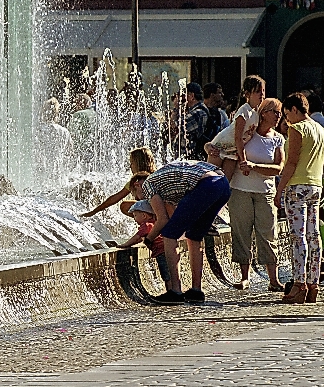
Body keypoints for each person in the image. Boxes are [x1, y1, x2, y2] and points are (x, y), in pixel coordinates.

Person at [141, 159, 232, 305]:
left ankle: (175, 292)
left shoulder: (147, 185)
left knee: (169, 235)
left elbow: (163, 219)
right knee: (194, 235)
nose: (142, 199)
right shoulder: (165, 183)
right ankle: (196, 291)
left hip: (206, 185)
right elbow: (175, 215)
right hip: (223, 184)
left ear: (137, 185)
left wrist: (149, 238)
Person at [275, 93, 324, 304]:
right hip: (316, 186)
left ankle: (299, 284)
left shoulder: (297, 129)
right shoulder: (321, 129)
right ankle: (314, 283)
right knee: (313, 234)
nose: (287, 120)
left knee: (298, 237)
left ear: (295, 109)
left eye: (287, 114)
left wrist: (279, 190)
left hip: (296, 185)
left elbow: (291, 163)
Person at [228, 98, 285, 291]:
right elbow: (229, 147)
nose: (278, 117)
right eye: (274, 112)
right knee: (242, 232)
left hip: (266, 191)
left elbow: (279, 167)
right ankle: (245, 276)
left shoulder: (277, 138)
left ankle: (273, 278)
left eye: (279, 113)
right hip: (241, 188)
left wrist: (255, 167)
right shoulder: (248, 134)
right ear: (263, 113)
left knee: (268, 233)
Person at [205, 75, 265, 180]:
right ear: (247, 94)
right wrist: (243, 160)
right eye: (257, 91)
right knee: (210, 181)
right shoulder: (244, 111)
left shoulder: (257, 112)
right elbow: (238, 137)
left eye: (263, 91)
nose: (262, 95)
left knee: (225, 184)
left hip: (233, 151)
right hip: (220, 146)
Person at [81, 147, 156, 217]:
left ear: (139, 163)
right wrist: (94, 211)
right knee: (128, 205)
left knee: (124, 206)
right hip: (157, 209)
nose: (130, 166)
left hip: (157, 208)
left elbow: (115, 198)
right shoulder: (140, 179)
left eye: (132, 163)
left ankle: (148, 220)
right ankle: (146, 220)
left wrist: (93, 212)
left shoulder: (145, 179)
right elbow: (114, 198)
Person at [117, 199, 170, 286]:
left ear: (144, 215)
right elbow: (140, 239)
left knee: (166, 274)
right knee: (169, 272)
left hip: (161, 252)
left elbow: (137, 237)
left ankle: (171, 292)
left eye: (135, 215)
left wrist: (125, 244)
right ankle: (172, 291)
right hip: (165, 250)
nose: (134, 218)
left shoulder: (146, 224)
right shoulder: (154, 223)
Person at [36, 98, 73, 182]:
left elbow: (36, 151)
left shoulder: (39, 131)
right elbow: (70, 152)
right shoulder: (65, 131)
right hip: (59, 171)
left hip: (43, 171)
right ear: (57, 113)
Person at [182, 83, 210, 160]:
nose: (182, 99)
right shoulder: (195, 111)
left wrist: (176, 109)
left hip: (191, 158)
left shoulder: (198, 113)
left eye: (183, 95)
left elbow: (177, 126)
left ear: (191, 96)